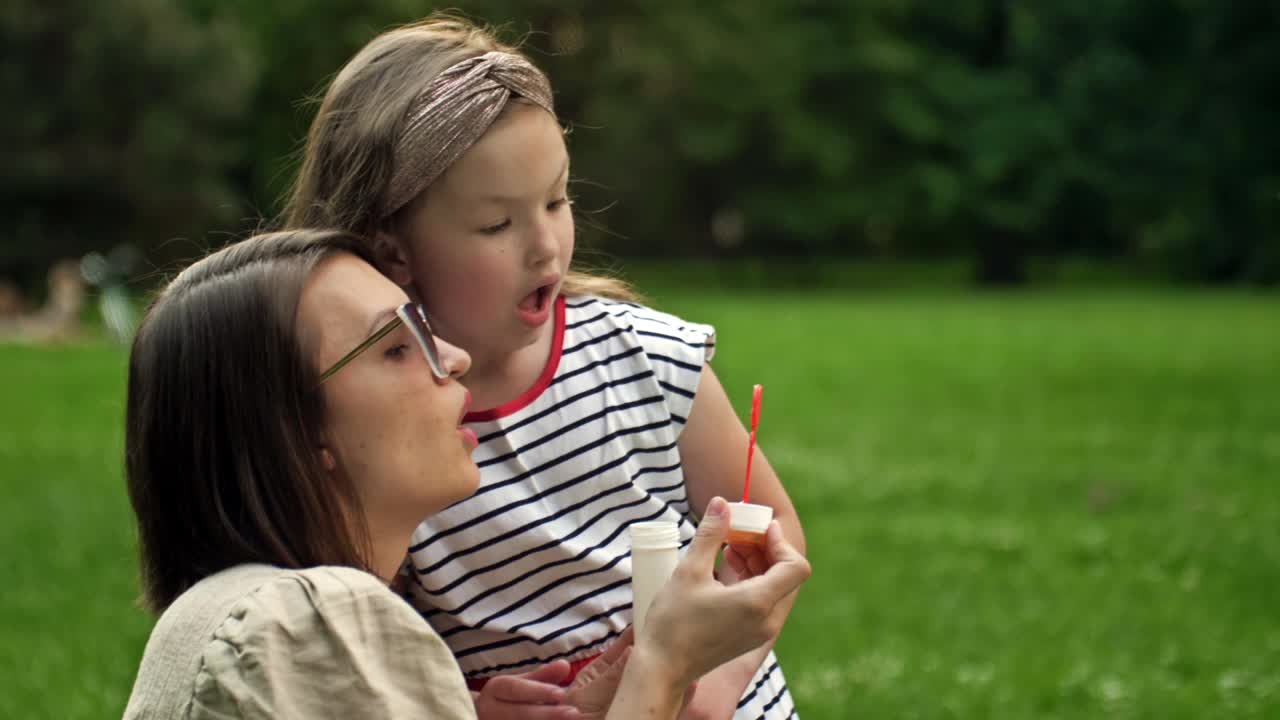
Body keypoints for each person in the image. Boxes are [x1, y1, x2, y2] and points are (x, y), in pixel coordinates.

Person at [283, 15, 807, 719]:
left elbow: (775, 537)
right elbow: (367, 652)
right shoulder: (379, 429)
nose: (546, 247)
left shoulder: (646, 359)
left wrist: (716, 682)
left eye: (558, 201)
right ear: (394, 250)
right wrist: (468, 707)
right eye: (497, 224)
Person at [121, 229, 811, 719]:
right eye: (395, 348)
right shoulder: (312, 625)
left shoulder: (261, 615)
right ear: (294, 432)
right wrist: (665, 666)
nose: (451, 358)